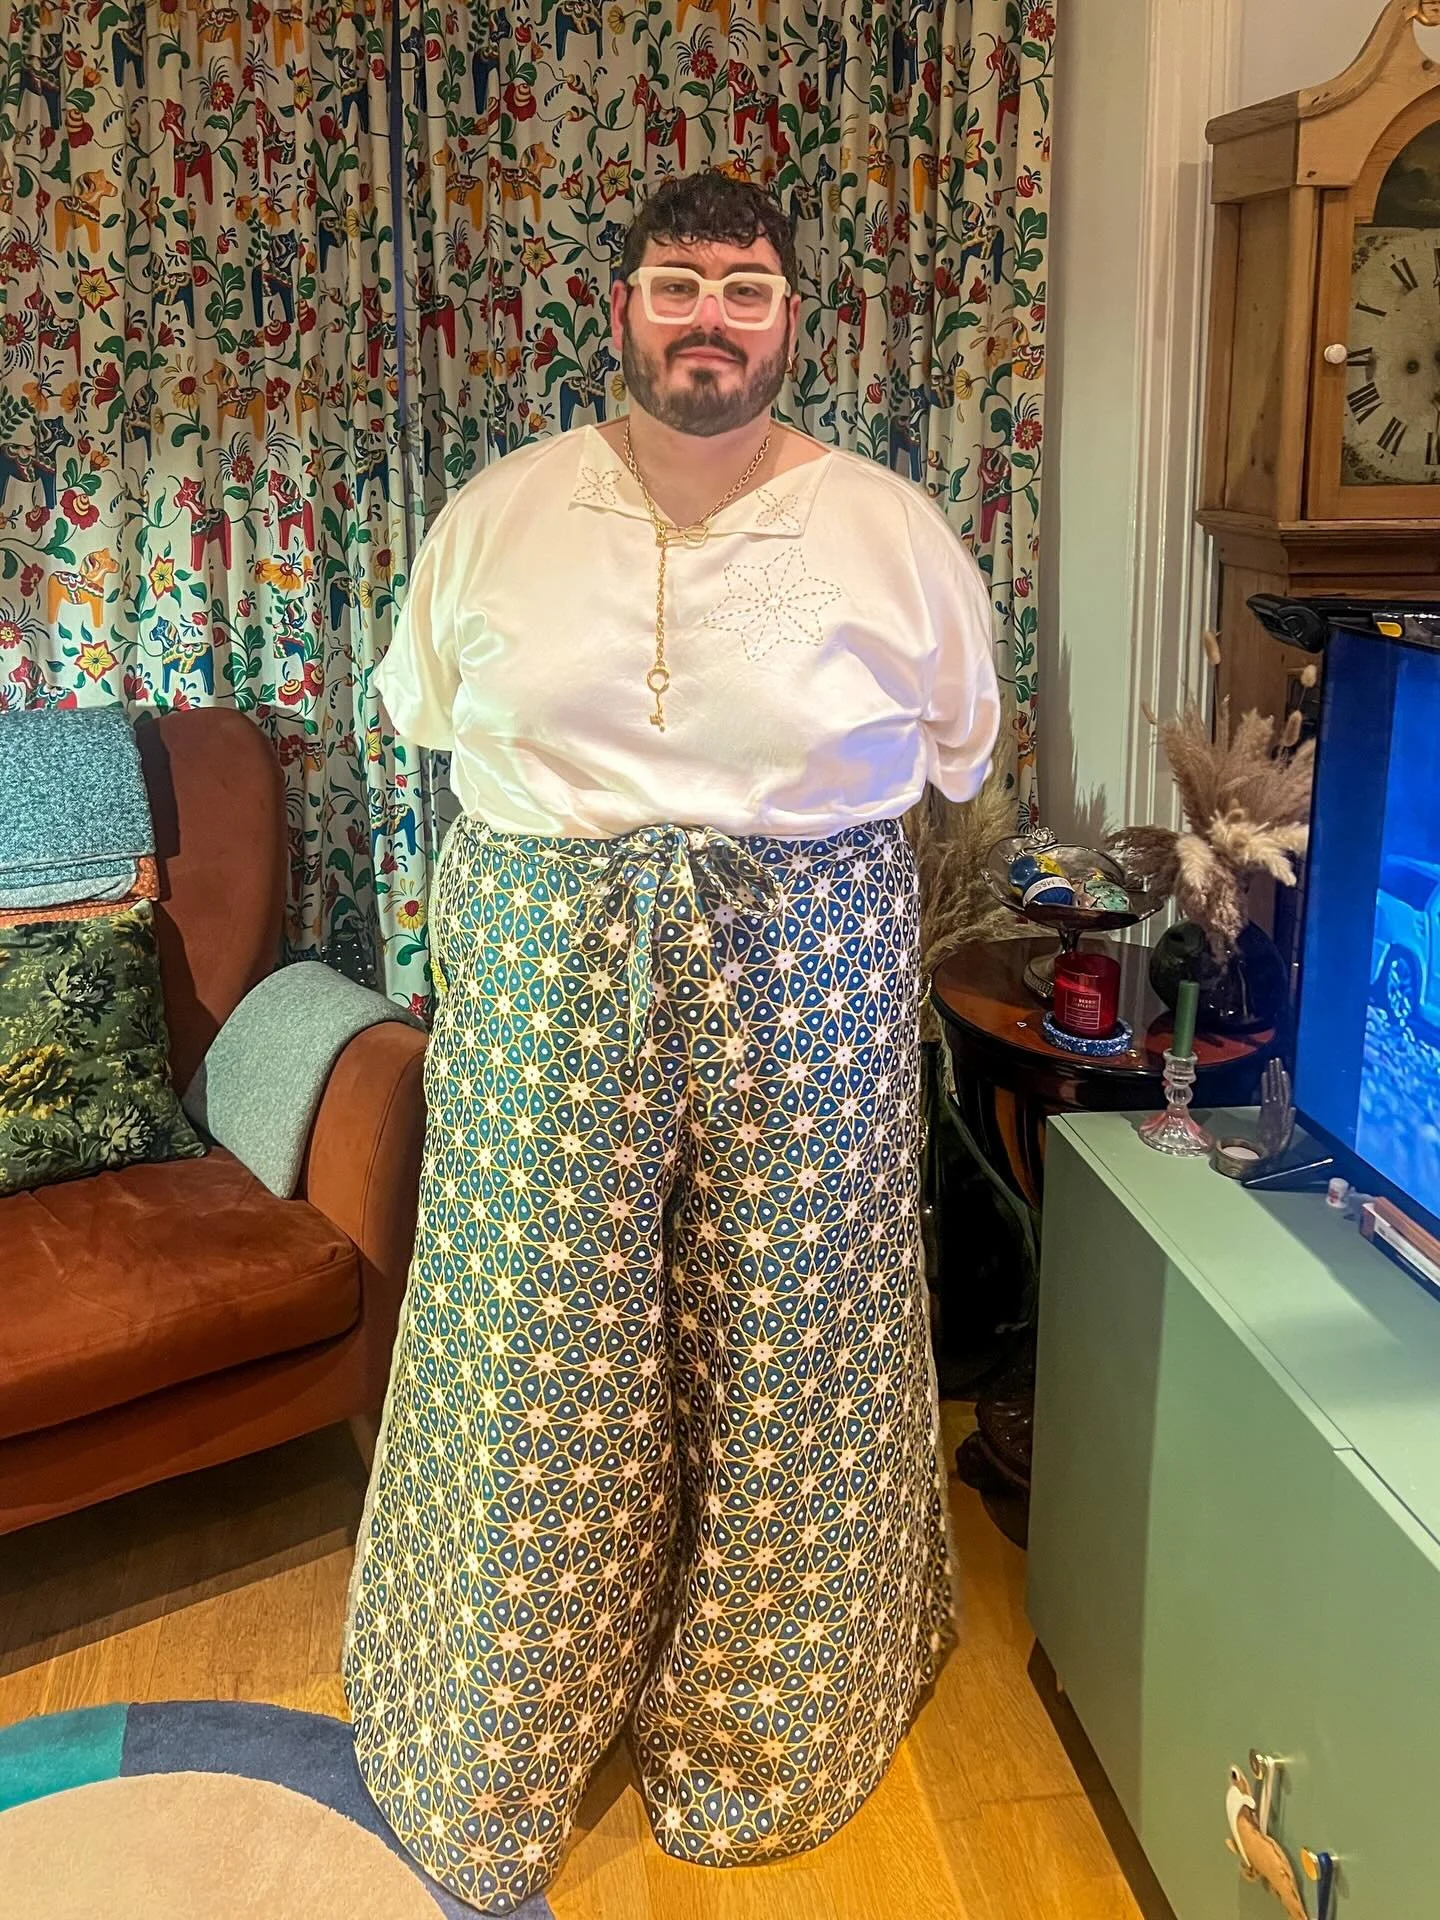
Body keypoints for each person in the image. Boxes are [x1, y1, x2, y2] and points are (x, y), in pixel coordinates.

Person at [344, 168, 1001, 1913]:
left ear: (793, 320)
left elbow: (958, 750)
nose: (711, 317)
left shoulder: (891, 532)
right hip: (546, 966)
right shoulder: (497, 513)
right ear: (624, 308)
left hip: (807, 966)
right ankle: (494, 1728)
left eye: (747, 287)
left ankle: (763, 1725)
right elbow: (424, 711)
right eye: (678, 283)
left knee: (795, 1336)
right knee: (530, 1337)